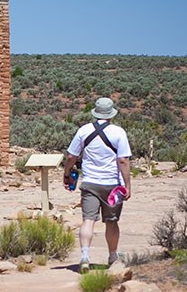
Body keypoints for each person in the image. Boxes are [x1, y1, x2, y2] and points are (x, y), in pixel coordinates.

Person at [62, 97, 132, 271]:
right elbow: (123, 160)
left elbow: (71, 156)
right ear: (111, 114)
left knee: (87, 220)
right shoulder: (119, 132)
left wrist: (66, 173)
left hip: (90, 183)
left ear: (96, 112)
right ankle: (112, 256)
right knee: (112, 221)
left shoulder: (84, 130)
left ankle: (85, 256)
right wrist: (128, 186)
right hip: (112, 186)